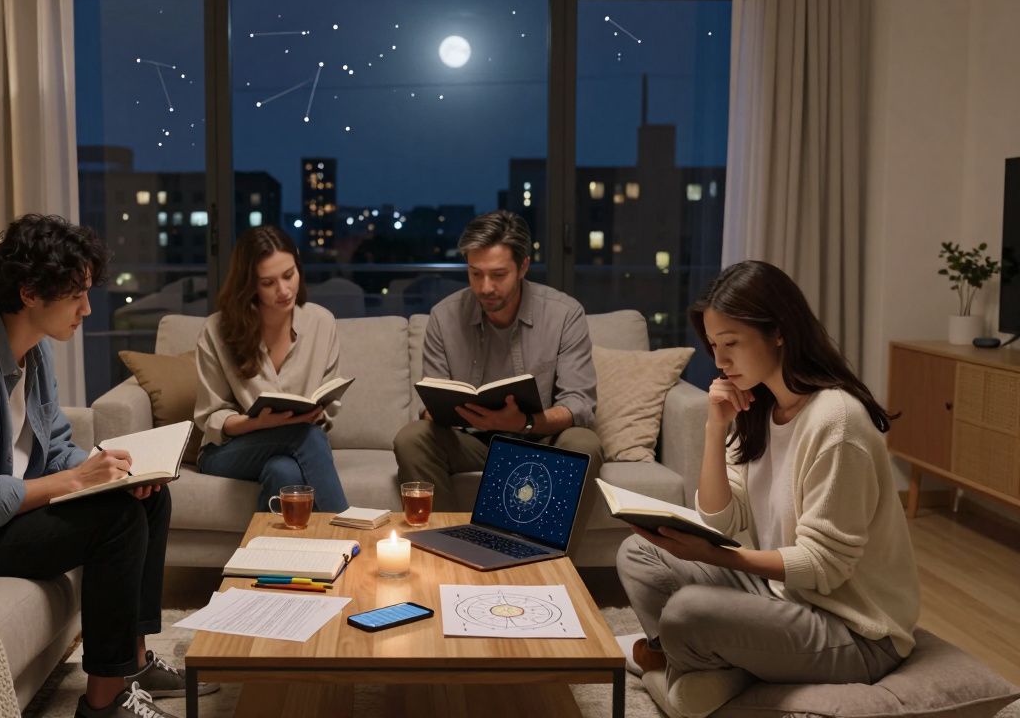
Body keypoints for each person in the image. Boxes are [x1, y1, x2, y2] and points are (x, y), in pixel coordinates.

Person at [0, 214, 213, 718]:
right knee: (114, 522)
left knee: (149, 496)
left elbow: (53, 449)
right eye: (76, 295)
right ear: (30, 292)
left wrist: (115, 469)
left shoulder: (34, 352)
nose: (87, 309)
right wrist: (78, 479)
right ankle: (103, 702)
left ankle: (134, 664)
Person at [616, 260, 919, 717]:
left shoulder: (835, 421)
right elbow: (721, 517)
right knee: (637, 553)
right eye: (714, 345)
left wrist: (713, 555)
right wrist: (715, 430)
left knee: (688, 611)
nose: (719, 362)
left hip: (854, 631)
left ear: (778, 331)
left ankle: (702, 665)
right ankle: (715, 664)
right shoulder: (762, 407)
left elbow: (824, 567)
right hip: (783, 597)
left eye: (731, 343)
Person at [393, 209, 604, 513]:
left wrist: (526, 422)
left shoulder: (564, 314)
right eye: (475, 273)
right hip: (470, 443)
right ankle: (450, 545)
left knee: (585, 444)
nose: (485, 287)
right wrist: (436, 412)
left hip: (540, 439)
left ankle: (549, 559)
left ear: (523, 267)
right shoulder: (444, 316)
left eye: (498, 274)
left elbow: (580, 403)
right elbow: (430, 401)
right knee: (412, 437)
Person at [193, 225, 350, 513]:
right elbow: (211, 416)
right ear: (249, 284)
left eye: (289, 275)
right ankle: (347, 537)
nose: (284, 290)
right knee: (307, 437)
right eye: (268, 283)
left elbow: (330, 401)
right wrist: (257, 424)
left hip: (294, 444)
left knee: (284, 473)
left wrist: (314, 412)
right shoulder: (217, 330)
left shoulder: (321, 323)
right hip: (228, 450)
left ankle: (276, 557)